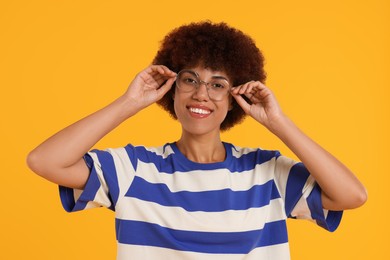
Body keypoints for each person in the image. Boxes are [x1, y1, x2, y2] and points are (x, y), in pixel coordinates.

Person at [27, 21, 367, 259]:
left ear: (235, 97)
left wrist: (278, 122)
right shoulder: (134, 169)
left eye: (217, 84)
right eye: (190, 80)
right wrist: (129, 102)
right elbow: (44, 161)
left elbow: (352, 195)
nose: (201, 94)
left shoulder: (268, 173)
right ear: (172, 89)